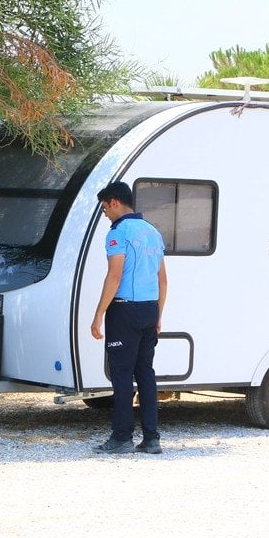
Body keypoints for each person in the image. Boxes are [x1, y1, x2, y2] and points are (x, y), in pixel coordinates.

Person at [90, 181, 168, 455]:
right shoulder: (152, 232)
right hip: (149, 309)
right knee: (145, 373)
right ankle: (151, 438)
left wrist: (99, 313)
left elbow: (115, 275)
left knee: (122, 374)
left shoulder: (118, 233)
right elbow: (163, 279)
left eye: (104, 209)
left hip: (124, 309)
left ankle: (121, 437)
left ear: (114, 202)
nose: (106, 215)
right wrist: (158, 313)